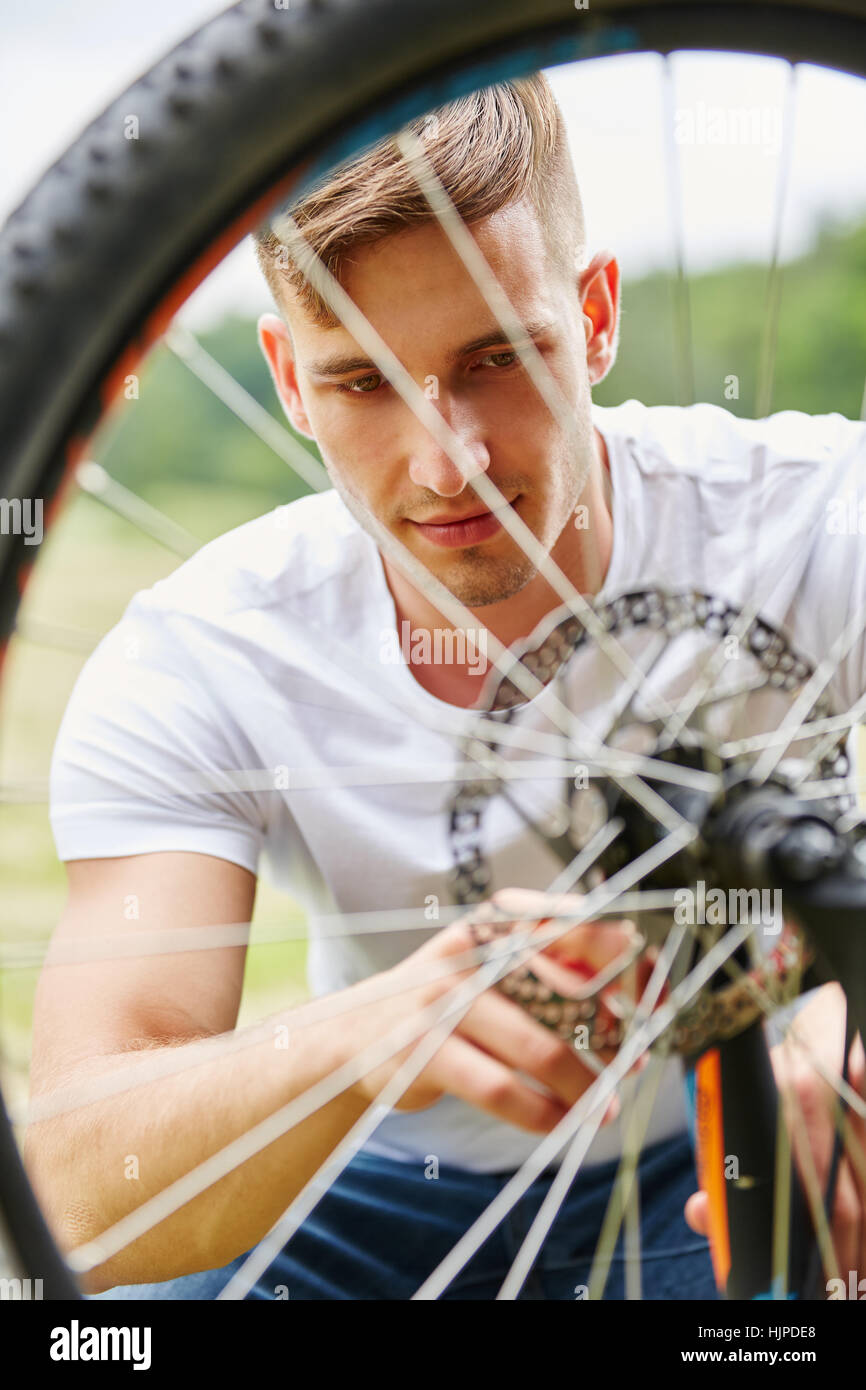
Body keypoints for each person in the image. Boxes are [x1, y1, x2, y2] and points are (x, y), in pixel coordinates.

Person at [24, 73, 865, 1301]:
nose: (445, 458)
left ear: (592, 315)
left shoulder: (814, 521)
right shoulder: (203, 649)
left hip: (715, 1149)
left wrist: (846, 1041)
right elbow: (76, 1187)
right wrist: (371, 1037)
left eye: (495, 355)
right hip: (364, 1175)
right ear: (289, 381)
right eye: (363, 381)